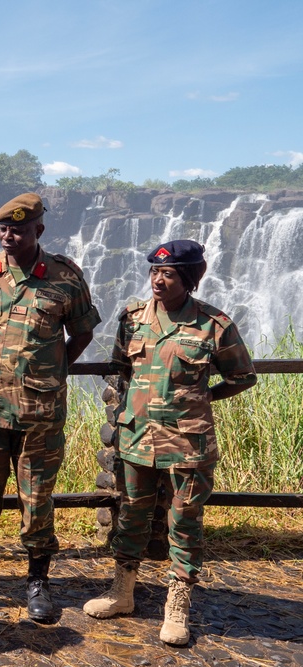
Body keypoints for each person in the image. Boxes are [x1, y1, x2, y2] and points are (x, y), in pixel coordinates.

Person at [84, 239, 256, 645]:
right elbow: (120, 366)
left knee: (184, 523)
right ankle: (121, 591)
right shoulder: (132, 318)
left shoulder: (214, 324)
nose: (159, 281)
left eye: (170, 274)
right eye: (154, 273)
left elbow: (242, 377)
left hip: (187, 443)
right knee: (131, 517)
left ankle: (177, 604)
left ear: (190, 279)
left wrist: (202, 397)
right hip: (137, 438)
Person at [0, 192, 101, 621]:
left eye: (20, 229)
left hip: (39, 412)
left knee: (37, 498)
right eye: (4, 229)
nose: (10, 236)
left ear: (38, 231)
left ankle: (38, 581)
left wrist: (53, 366)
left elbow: (82, 331)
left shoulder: (64, 277)